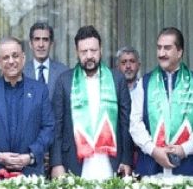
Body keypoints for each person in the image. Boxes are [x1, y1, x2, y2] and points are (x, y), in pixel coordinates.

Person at [51, 26, 133, 179]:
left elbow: (126, 123)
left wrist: (127, 160)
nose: (89, 56)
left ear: (101, 50)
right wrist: (56, 163)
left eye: (93, 50)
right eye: (84, 51)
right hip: (74, 161)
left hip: (111, 161)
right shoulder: (64, 81)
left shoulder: (117, 79)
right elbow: (57, 126)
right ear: (77, 52)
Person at [129, 27, 193, 176]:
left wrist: (185, 149)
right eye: (159, 48)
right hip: (151, 167)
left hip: (189, 167)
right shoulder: (145, 83)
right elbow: (135, 122)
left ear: (179, 52)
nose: (161, 53)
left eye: (167, 48)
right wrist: (153, 150)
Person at [0, 36, 54, 176]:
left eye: (15, 56)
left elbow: (48, 128)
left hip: (30, 173)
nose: (11, 61)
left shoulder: (40, 90)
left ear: (23, 58)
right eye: (5, 57)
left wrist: (30, 156)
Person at [22, 21, 68, 99]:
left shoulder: (63, 72)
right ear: (30, 44)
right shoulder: (21, 72)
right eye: (37, 39)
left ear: (51, 44)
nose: (41, 45)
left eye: (45, 40)